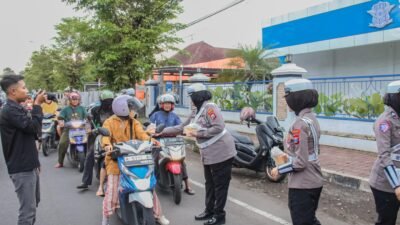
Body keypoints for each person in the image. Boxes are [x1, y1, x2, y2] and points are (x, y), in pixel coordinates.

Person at [155, 83, 236, 225]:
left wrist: (198, 133)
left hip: (221, 152)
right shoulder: (196, 111)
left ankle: (219, 216)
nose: (190, 99)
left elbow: (219, 127)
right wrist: (161, 131)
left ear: (198, 95)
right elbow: (182, 127)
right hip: (208, 154)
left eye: (191, 96)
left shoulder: (210, 108)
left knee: (220, 186)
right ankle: (209, 210)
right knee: (210, 183)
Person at [101, 95, 169, 225]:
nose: (134, 110)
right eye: (131, 108)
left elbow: (142, 134)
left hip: (134, 159)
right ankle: (106, 217)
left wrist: (152, 141)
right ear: (123, 108)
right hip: (116, 160)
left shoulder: (134, 122)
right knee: (112, 190)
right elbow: (105, 137)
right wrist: (107, 145)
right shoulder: (109, 122)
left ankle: (158, 215)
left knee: (148, 187)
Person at [271, 78, 323, 225]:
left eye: (288, 98)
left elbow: (300, 162)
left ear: (296, 99)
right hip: (314, 179)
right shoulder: (311, 118)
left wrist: (279, 169)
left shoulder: (299, 125)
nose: (287, 102)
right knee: (310, 220)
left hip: (302, 184)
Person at [0, 75, 45, 225]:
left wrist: (35, 162)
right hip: (22, 168)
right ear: (13, 91)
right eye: (24, 87)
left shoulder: (18, 108)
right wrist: (38, 105)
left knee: (33, 206)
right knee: (27, 212)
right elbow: (34, 127)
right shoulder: (9, 110)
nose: (27, 91)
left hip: (29, 164)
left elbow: (30, 135)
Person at [150, 93, 195, 195]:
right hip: (158, 143)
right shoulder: (155, 115)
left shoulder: (174, 116)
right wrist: (152, 132)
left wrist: (186, 131)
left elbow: (180, 127)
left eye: (169, 103)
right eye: (165, 103)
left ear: (172, 105)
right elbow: (150, 127)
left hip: (173, 143)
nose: (167, 105)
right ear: (161, 104)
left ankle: (187, 186)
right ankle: (150, 186)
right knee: (153, 161)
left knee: (181, 162)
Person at [369, 80, 400, 225]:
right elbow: (384, 155)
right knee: (387, 221)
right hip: (385, 184)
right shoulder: (385, 122)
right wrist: (397, 185)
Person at [76, 90, 114, 196]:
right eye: (106, 101)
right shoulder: (95, 110)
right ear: (101, 101)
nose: (108, 103)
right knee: (90, 155)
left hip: (114, 136)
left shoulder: (116, 110)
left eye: (110, 101)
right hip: (98, 135)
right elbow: (87, 121)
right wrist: (89, 129)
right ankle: (86, 181)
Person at [55, 91, 87, 168]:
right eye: (73, 99)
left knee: (89, 141)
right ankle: (60, 162)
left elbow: (87, 115)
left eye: (76, 99)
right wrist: (60, 121)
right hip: (68, 129)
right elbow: (61, 117)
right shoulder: (65, 109)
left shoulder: (82, 108)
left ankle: (88, 159)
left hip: (81, 129)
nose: (75, 101)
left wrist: (89, 118)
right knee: (62, 143)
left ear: (79, 100)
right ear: (70, 100)